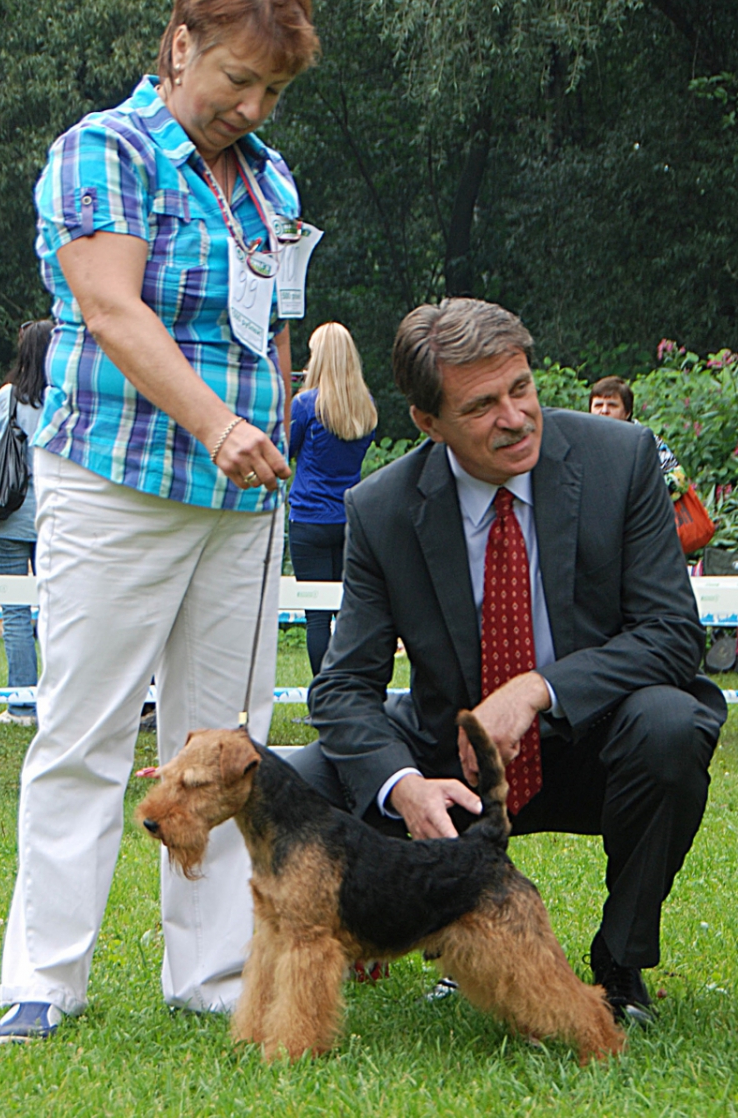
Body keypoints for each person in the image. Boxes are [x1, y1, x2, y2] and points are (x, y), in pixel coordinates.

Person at [0, 0, 320, 1043]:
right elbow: (111, 308)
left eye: (272, 89)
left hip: (242, 502)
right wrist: (217, 423)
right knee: (84, 733)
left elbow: (270, 329)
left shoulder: (269, 176)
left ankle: (217, 972)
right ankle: (43, 979)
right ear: (181, 44)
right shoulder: (106, 149)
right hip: (120, 482)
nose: (252, 103)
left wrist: (270, 420)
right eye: (238, 77)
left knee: (231, 740)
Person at [289, 297, 726, 1026]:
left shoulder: (620, 460)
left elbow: (671, 632)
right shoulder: (380, 508)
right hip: (449, 767)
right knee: (305, 779)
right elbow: (342, 688)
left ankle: (619, 973)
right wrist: (400, 788)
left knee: (670, 723)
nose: (515, 417)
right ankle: (408, 936)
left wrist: (536, 688)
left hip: (597, 743)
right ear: (427, 424)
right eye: (481, 405)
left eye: (520, 388)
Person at [288, 323, 377, 675]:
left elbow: (288, 450)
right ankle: (349, 689)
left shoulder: (305, 405)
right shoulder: (365, 406)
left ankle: (320, 698)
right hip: (349, 518)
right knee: (347, 611)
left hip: (308, 518)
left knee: (316, 618)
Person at [0, 320, 53, 727]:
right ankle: (58, 703)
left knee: (15, 610)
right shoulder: (65, 398)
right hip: (55, 517)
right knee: (58, 610)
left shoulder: (7, 398)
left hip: (10, 517)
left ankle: (21, 705)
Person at [589, 375, 687, 498]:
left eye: (612, 405)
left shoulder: (643, 439)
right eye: (598, 405)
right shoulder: (585, 440)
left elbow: (679, 479)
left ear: (627, 412)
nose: (604, 411)